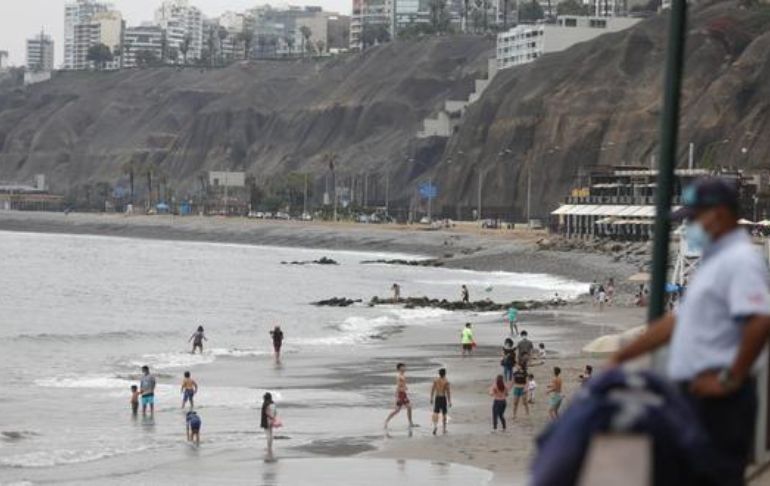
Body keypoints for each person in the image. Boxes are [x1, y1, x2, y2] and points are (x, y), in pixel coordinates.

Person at [610, 177, 770, 486]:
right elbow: (676, 321)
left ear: (720, 214)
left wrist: (730, 378)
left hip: (719, 401)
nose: (688, 227)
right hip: (695, 398)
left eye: (693, 218)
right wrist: (624, 354)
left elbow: (760, 320)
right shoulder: (714, 261)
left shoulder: (740, 261)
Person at [385, 363, 415, 428]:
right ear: (399, 369)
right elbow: (398, 386)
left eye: (404, 367)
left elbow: (402, 384)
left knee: (409, 407)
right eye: (403, 367)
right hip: (400, 394)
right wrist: (397, 396)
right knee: (397, 410)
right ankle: (386, 421)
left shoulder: (403, 376)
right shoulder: (399, 376)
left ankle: (410, 423)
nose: (404, 368)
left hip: (404, 394)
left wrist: (405, 387)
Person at [430, 368, 452, 435]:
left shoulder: (436, 380)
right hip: (443, 397)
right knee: (444, 413)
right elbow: (448, 392)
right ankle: (444, 429)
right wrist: (449, 401)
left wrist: (431, 398)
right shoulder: (446, 381)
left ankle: (435, 426)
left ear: (439, 374)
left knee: (436, 412)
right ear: (445, 374)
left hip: (437, 397)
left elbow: (432, 390)